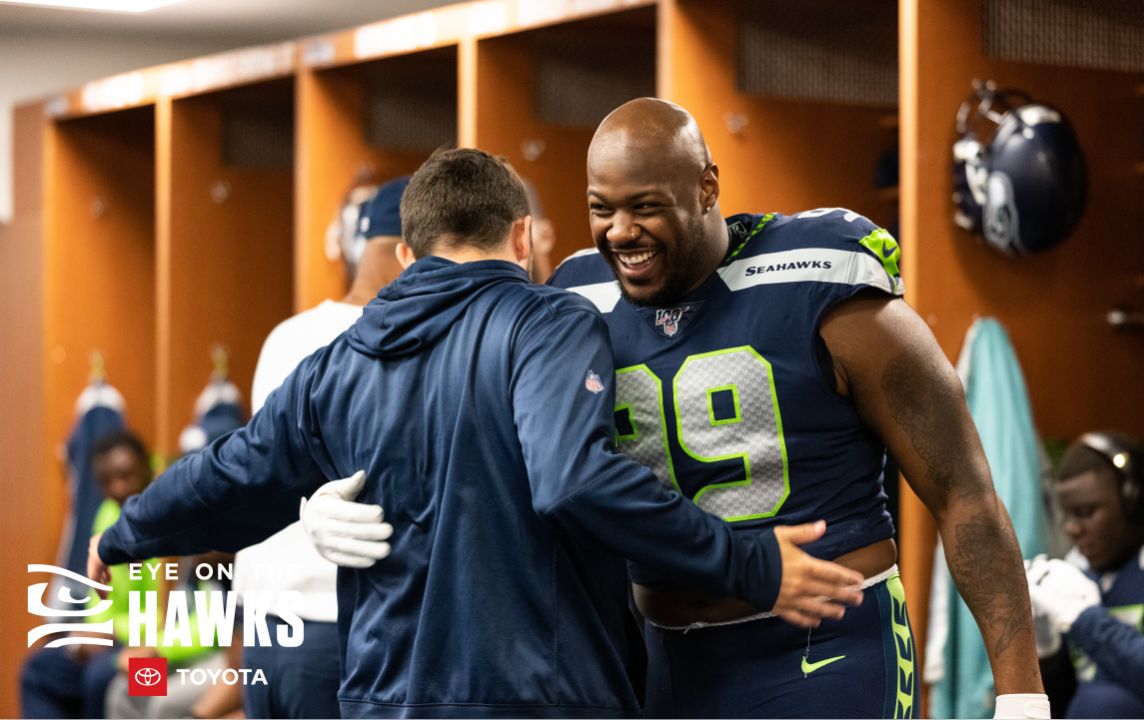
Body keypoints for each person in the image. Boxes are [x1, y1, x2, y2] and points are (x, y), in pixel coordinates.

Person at [313, 98, 1048, 718]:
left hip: (828, 647)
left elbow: (965, 494)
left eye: (645, 208)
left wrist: (1022, 697)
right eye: (601, 210)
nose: (620, 233)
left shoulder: (824, 286)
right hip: (666, 661)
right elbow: (472, 453)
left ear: (706, 188)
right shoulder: (573, 307)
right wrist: (336, 503)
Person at [87, 148, 863, 718]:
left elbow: (231, 473)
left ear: (403, 252)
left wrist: (124, 536)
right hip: (538, 698)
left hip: (384, 699)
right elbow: (575, 481)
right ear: (522, 238)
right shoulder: (547, 322)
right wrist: (748, 561)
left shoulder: (340, 361)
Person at [233, 176, 408, 719]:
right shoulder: (394, 342)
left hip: (266, 633)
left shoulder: (287, 334)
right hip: (335, 631)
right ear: (411, 253)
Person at [23, 431, 214, 718]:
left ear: (148, 468)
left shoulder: (182, 521)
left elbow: (213, 626)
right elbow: (100, 601)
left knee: (102, 679)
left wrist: (149, 645)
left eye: (127, 475)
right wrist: (99, 634)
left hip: (176, 654)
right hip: (128, 642)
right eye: (107, 481)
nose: (119, 488)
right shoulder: (110, 515)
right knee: (41, 670)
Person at [1027, 431, 1144, 719]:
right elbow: (1059, 705)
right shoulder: (1075, 571)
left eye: (1085, 512)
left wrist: (1086, 621)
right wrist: (1046, 656)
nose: (1072, 529)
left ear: (1135, 502)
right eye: (1068, 516)